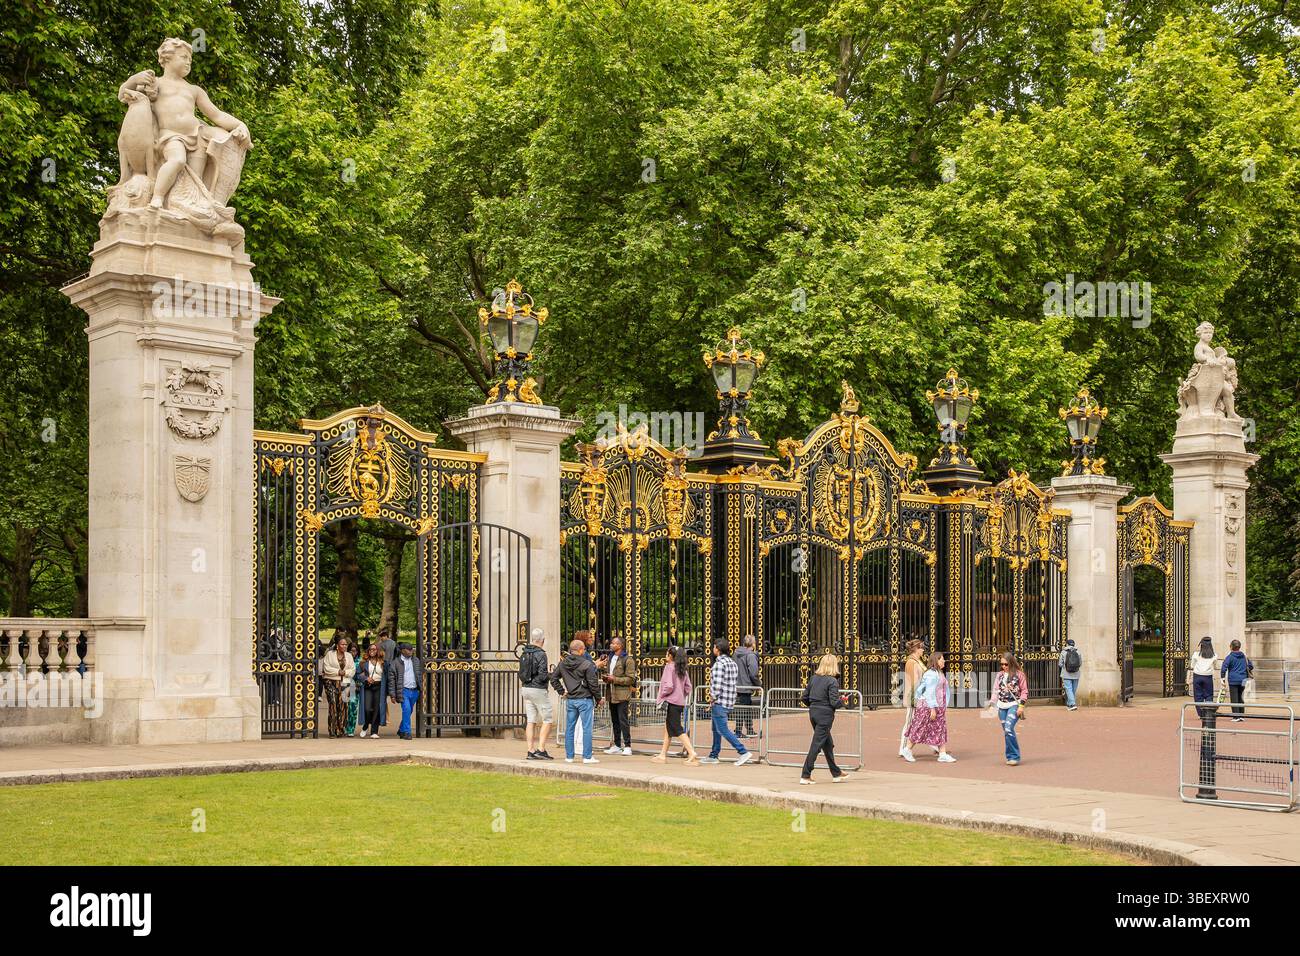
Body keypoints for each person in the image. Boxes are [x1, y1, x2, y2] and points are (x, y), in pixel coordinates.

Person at [700, 638, 753, 766]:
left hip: (720, 702)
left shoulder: (719, 664)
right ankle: (714, 754)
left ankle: (743, 751)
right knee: (716, 729)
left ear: (717, 649)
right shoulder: (732, 663)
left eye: (714, 647)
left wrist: (711, 699)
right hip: (728, 701)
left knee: (723, 729)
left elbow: (716, 687)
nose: (713, 649)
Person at [799, 652, 849, 784]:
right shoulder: (832, 681)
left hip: (814, 713)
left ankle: (836, 773)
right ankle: (805, 774)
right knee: (816, 745)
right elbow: (834, 703)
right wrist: (843, 701)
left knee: (827, 744)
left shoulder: (814, 678)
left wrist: (814, 705)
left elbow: (804, 697)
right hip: (825, 716)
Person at [550, 638, 603, 763]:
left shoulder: (562, 663)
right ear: (580, 650)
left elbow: (553, 678)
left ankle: (569, 756)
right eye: (584, 649)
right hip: (585, 699)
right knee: (587, 728)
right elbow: (593, 684)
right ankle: (587, 756)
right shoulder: (587, 664)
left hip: (571, 699)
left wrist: (562, 691)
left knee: (570, 728)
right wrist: (599, 698)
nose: (584, 651)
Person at [902, 652, 956, 763]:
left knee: (940, 729)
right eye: (942, 659)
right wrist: (932, 709)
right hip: (928, 706)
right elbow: (929, 692)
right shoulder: (932, 674)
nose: (944, 661)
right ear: (936, 661)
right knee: (920, 728)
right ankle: (907, 749)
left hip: (938, 706)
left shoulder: (938, 672)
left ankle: (942, 753)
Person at [651, 646, 699, 764]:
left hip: (671, 701)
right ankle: (663, 755)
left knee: (677, 729)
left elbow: (669, 686)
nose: (666, 654)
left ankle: (692, 752)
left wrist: (662, 694)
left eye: (667, 653)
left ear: (671, 655)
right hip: (679, 702)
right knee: (669, 728)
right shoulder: (682, 669)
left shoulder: (669, 667)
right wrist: (680, 694)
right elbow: (688, 687)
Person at [518, 627, 554, 760]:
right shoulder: (541, 653)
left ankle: (530, 750)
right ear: (542, 640)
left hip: (525, 688)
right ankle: (541, 749)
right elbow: (543, 675)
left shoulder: (524, 652)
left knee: (531, 720)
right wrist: (551, 675)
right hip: (538, 689)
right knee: (548, 719)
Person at [600, 636, 638, 755]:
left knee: (623, 720)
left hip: (622, 695)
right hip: (611, 693)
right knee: (614, 720)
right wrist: (606, 677)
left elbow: (631, 679)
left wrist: (614, 679)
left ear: (620, 646)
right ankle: (617, 745)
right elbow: (608, 673)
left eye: (613, 643)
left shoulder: (628, 660)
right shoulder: (610, 658)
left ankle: (627, 746)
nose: (611, 645)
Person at [899, 638, 937, 757]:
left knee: (926, 721)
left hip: (921, 696)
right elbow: (914, 682)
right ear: (916, 649)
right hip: (914, 697)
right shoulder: (911, 662)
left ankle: (935, 746)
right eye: (922, 648)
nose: (923, 650)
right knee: (910, 722)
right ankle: (903, 748)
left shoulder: (917, 660)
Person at [990, 652, 1028, 765]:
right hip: (1001, 706)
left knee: (1008, 728)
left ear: (1011, 663)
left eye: (1006, 664)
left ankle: (1014, 756)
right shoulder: (999, 675)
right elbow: (995, 690)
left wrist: (1021, 706)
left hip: (1014, 705)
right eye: (1002, 664)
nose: (1004, 666)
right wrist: (992, 704)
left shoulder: (1020, 675)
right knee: (1007, 732)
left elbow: (1024, 691)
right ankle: (1010, 756)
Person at [319, 637, 355, 739]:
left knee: (343, 706)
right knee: (333, 705)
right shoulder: (330, 654)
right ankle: (332, 730)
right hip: (331, 682)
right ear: (337, 645)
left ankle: (341, 729)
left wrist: (345, 673)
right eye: (342, 644)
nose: (344, 646)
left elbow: (352, 669)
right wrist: (338, 672)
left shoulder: (349, 655)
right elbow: (326, 668)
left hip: (345, 682)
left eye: (346, 644)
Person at [387, 642, 423, 740]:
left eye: (412, 649)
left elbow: (419, 674)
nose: (411, 651)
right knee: (406, 709)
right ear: (402, 651)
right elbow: (391, 680)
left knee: (409, 710)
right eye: (408, 649)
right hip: (403, 690)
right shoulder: (395, 663)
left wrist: (421, 687)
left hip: (415, 690)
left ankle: (401, 729)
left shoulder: (416, 660)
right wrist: (392, 695)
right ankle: (407, 732)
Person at [357, 642, 386, 739]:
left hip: (379, 687)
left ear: (378, 651)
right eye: (370, 649)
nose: (372, 651)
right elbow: (357, 675)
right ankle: (365, 726)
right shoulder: (363, 663)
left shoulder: (383, 662)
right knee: (367, 708)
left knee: (377, 709)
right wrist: (366, 678)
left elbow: (387, 675)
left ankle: (374, 731)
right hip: (368, 687)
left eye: (374, 649)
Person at [733, 634, 760, 738]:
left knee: (746, 707)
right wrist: (758, 684)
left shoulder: (736, 654)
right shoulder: (751, 655)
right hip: (746, 685)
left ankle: (749, 729)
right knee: (744, 708)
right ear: (753, 644)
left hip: (737, 684)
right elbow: (753, 673)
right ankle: (739, 731)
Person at [1220, 639, 1253, 721]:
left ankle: (1236, 716)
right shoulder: (1244, 657)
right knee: (1241, 698)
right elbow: (1251, 666)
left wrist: (1223, 678)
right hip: (1243, 679)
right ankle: (1241, 715)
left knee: (1234, 698)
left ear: (1231, 647)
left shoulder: (1230, 657)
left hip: (1233, 680)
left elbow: (1224, 668)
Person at [1189, 636, 1218, 705]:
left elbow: (1192, 666)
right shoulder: (1214, 655)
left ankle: (1200, 713)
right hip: (1208, 677)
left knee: (1198, 696)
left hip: (1197, 676)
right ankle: (1208, 713)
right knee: (1209, 695)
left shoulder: (1196, 655)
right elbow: (1215, 666)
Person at [343, 639, 362, 736]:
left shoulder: (361, 661)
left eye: (355, 651)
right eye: (351, 651)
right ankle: (342, 727)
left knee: (353, 708)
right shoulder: (344, 659)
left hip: (355, 686)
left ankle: (350, 729)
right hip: (344, 685)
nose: (353, 653)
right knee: (344, 708)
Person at [1058, 637, 1082, 711]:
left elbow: (1060, 664)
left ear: (1067, 644)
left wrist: (1065, 667)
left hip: (1066, 674)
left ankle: (1072, 704)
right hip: (1076, 674)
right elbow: (1080, 663)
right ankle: (1069, 704)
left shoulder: (1063, 652)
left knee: (1068, 689)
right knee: (1073, 690)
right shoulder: (1078, 652)